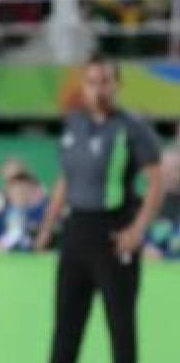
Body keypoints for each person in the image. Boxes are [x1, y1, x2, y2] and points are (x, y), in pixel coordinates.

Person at [36, 56, 164, 363]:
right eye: (92, 82)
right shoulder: (74, 125)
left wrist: (137, 230)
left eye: (105, 82)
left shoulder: (131, 128)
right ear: (83, 86)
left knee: (120, 330)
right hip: (76, 233)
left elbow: (156, 182)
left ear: (118, 85)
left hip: (114, 233)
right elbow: (66, 180)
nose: (99, 90)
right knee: (66, 329)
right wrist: (46, 227)